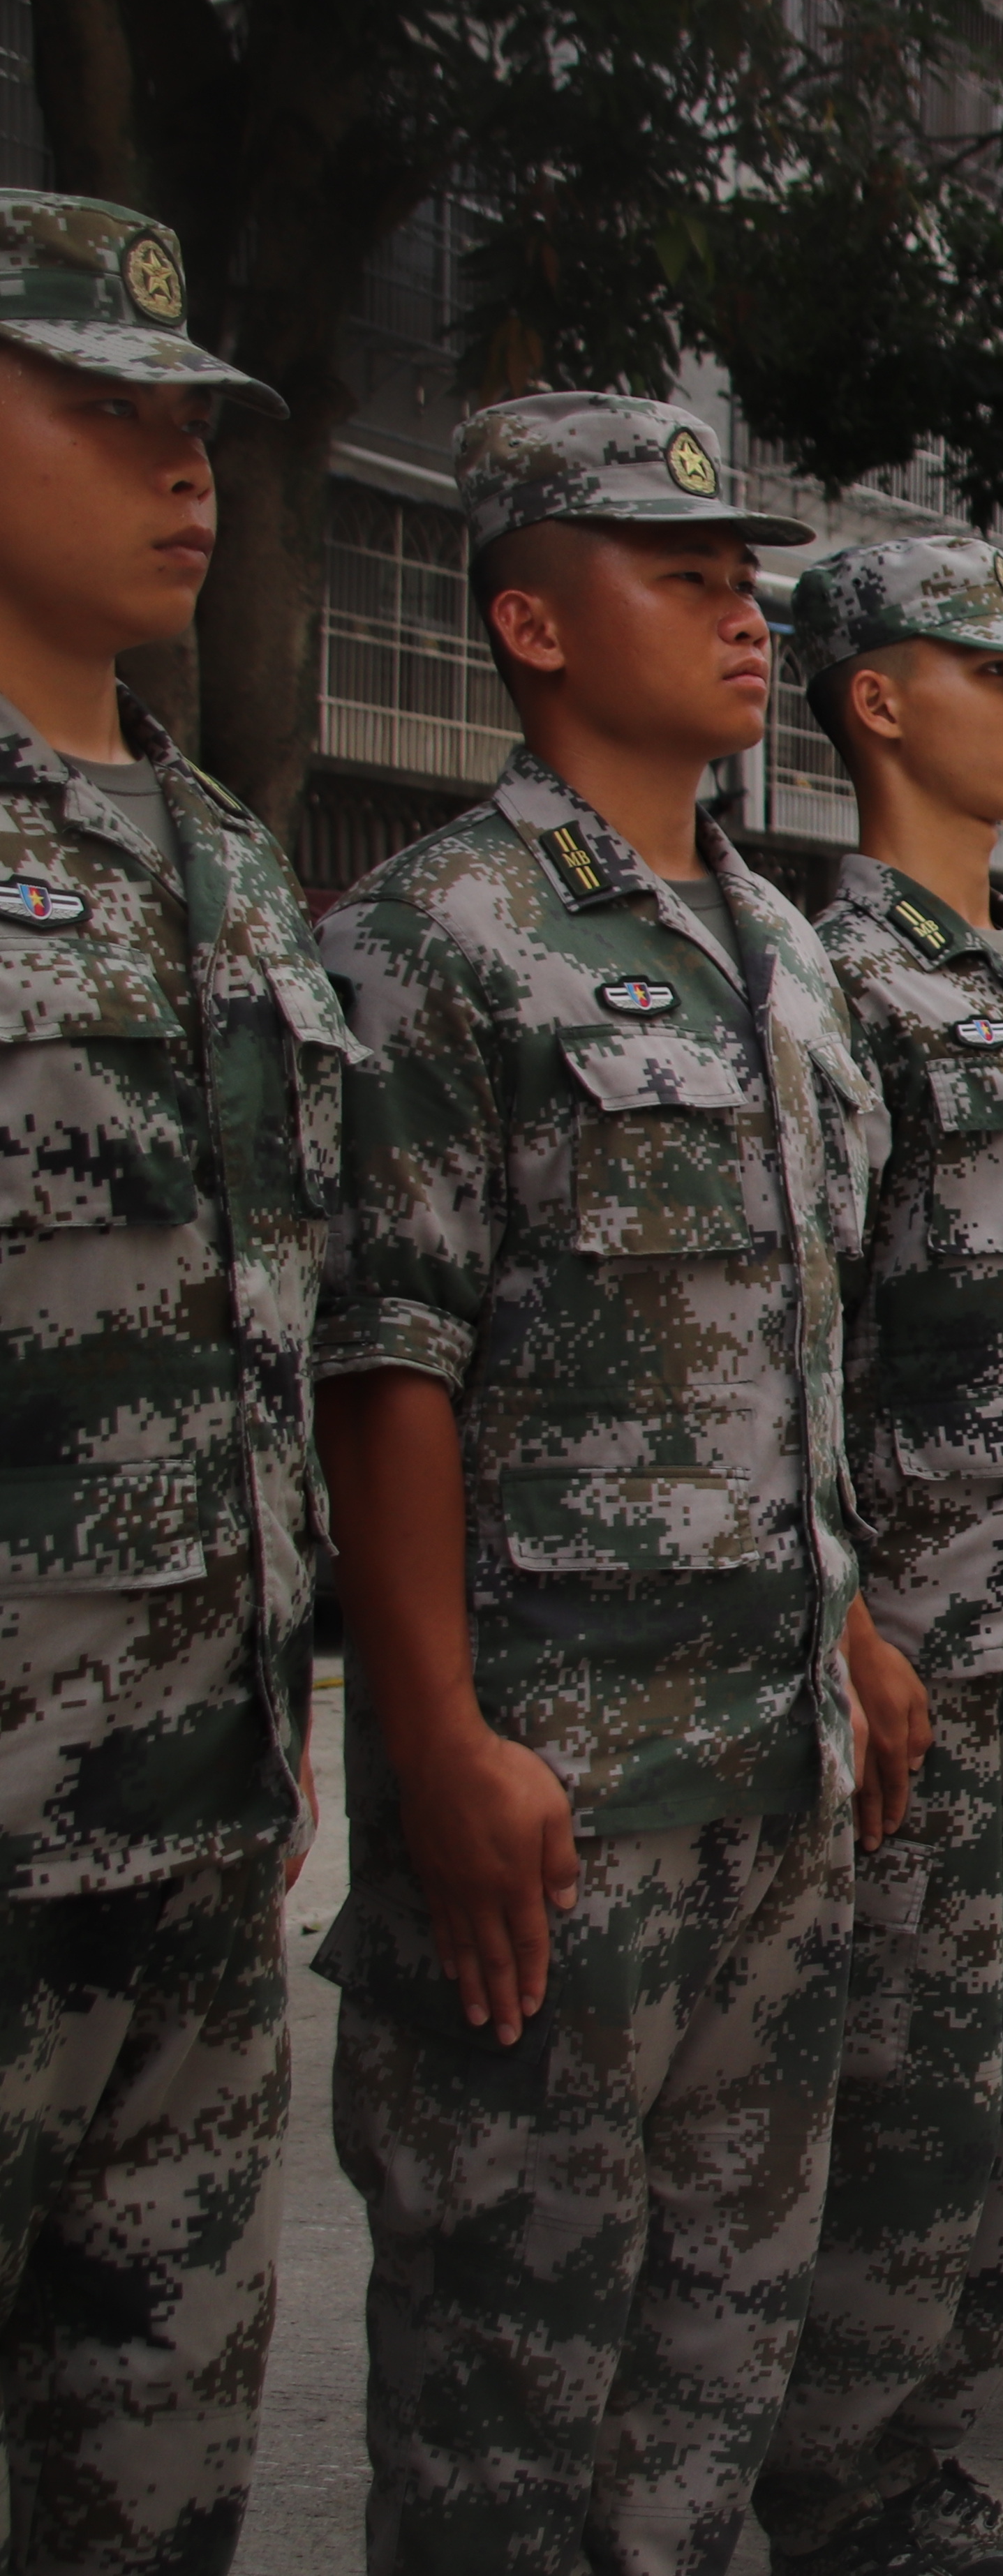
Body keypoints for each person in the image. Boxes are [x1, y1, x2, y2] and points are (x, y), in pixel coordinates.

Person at [313, 393, 890, 2571]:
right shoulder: (437, 935)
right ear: (534, 620)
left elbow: (790, 1349)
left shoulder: (783, 946)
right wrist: (439, 1734)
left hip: (778, 1759)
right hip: (562, 1789)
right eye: (688, 579)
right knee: (508, 2365)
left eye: (752, 584)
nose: (746, 622)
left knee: (715, 2347)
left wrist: (844, 1619)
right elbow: (391, 1360)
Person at [755, 538, 1003, 2576]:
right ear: (874, 698)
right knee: (910, 2097)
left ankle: (915, 2451)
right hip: (919, 1633)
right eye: (993, 668)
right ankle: (841, 2486)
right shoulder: (837, 978)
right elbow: (800, 1330)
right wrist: (843, 1618)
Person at [0, 196, 322, 2576]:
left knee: (166, 2441)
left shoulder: (225, 860)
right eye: (102, 415)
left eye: (196, 423)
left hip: (203, 1801)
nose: (179, 469)